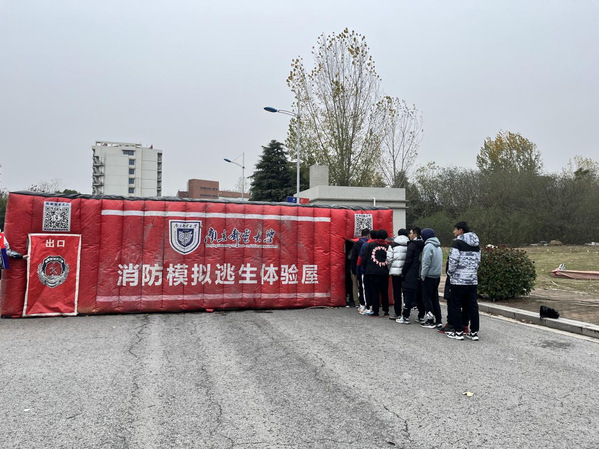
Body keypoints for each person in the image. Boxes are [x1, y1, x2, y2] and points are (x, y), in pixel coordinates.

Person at [446, 221, 481, 341]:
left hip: (458, 280)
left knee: (456, 305)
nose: (454, 232)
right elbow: (478, 262)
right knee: (473, 306)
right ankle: (474, 332)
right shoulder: (476, 245)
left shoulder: (457, 243)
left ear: (461, 230)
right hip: (472, 280)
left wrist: (450, 273)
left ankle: (458, 331)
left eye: (455, 229)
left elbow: (453, 260)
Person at [396, 227, 425, 324]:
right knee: (420, 297)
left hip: (411, 273)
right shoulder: (423, 245)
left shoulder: (412, 245)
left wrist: (403, 272)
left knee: (408, 295)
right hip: (420, 273)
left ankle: (405, 316)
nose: (409, 235)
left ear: (415, 234)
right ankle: (421, 316)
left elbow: (408, 260)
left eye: (411, 233)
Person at [360, 229, 390, 317]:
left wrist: (365, 268)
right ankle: (386, 311)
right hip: (384, 272)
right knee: (384, 292)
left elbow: (364, 258)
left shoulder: (370, 245)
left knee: (374, 291)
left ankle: (375, 311)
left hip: (372, 271)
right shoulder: (388, 246)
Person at [419, 228, 443, 329]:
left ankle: (430, 320)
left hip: (428, 276)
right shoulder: (438, 246)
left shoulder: (428, 246)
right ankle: (438, 320)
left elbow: (426, 262)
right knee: (434, 298)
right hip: (437, 276)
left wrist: (422, 275)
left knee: (426, 299)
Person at [387, 228, 409, 320]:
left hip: (395, 273)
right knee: (406, 293)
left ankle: (397, 313)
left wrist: (390, 268)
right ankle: (406, 313)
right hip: (407, 272)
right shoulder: (410, 244)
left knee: (397, 293)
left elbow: (389, 259)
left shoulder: (393, 245)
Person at [350, 229, 370, 311]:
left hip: (356, 267)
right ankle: (368, 301)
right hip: (367, 269)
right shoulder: (370, 244)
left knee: (355, 285)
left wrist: (353, 269)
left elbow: (353, 257)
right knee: (366, 286)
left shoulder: (357, 244)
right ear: (368, 235)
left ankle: (357, 301)